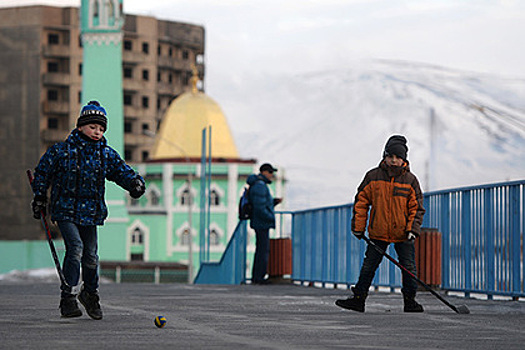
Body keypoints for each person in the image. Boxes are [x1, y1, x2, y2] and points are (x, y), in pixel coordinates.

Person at [30, 100, 146, 319]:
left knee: (91, 257)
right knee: (75, 249)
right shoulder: (62, 151)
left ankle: (90, 294)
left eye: (101, 129)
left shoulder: (105, 154)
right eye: (93, 127)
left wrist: (135, 183)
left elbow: (121, 171)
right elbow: (43, 172)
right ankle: (68, 297)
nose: (97, 132)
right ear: (81, 126)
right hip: (65, 209)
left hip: (91, 213)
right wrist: (39, 197)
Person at [335, 135, 425, 312]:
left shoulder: (410, 180)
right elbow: (361, 202)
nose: (393, 160)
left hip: (403, 233)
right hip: (378, 232)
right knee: (369, 266)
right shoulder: (373, 176)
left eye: (398, 157)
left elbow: (417, 208)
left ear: (404, 159)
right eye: (390, 156)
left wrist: (412, 229)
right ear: (384, 156)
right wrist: (358, 228)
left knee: (408, 267)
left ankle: (410, 302)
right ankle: (358, 299)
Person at [246, 163, 282, 284]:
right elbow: (259, 207)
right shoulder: (260, 186)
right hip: (261, 222)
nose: (272, 175)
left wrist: (273, 202)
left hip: (259, 222)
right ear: (264, 172)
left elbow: (261, 203)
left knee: (261, 249)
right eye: (271, 172)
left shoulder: (258, 185)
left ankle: (258, 276)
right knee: (263, 251)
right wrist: (269, 217)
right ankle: (258, 277)